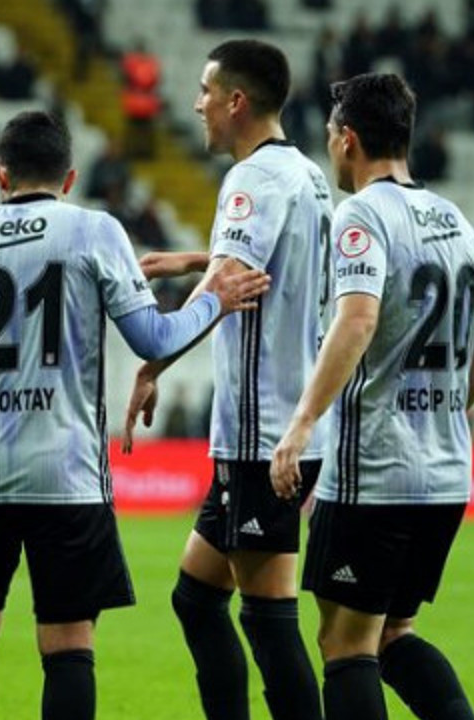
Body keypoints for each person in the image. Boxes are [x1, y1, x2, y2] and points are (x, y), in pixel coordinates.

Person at [0, 110, 269, 720]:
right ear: (70, 177)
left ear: (0, 174)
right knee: (67, 642)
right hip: (65, 475)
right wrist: (213, 300)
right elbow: (152, 339)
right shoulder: (93, 230)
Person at [270, 73, 474, 720]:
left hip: (375, 472)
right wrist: (446, 414)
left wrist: (302, 423)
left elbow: (357, 319)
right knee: (393, 634)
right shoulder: (457, 220)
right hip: (447, 475)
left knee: (344, 645)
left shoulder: (362, 214)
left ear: (347, 139)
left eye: (329, 136)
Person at [123, 39, 333, 720]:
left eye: (206, 92)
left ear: (236, 101)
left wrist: (153, 363)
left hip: (262, 432)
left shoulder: (252, 179)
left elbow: (227, 284)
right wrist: (196, 258)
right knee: (196, 598)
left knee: (268, 619)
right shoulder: (305, 174)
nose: (197, 105)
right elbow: (268, 265)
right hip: (281, 423)